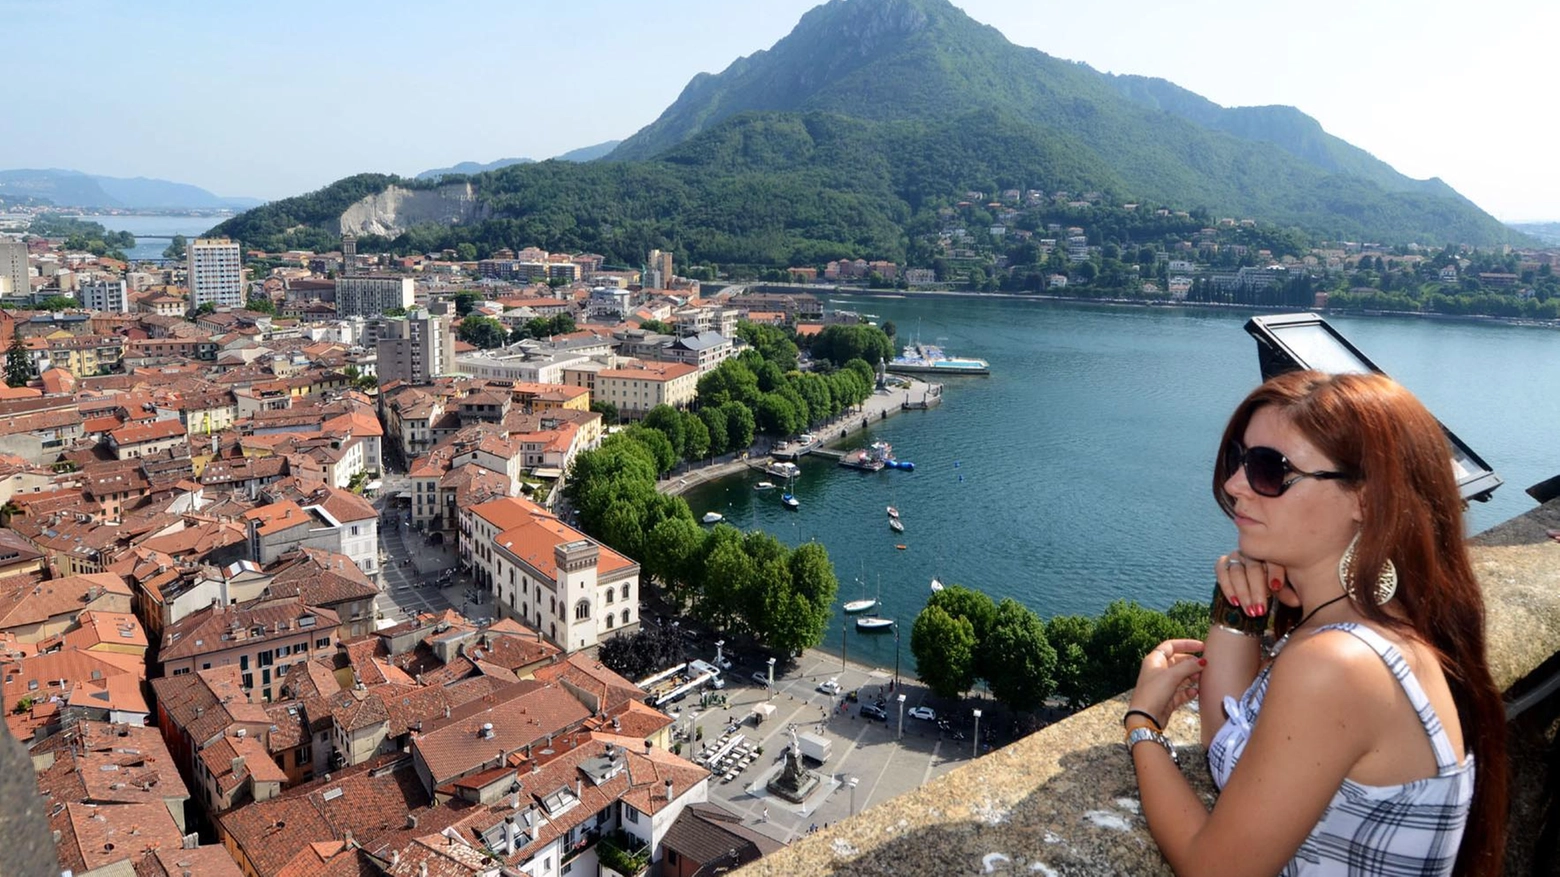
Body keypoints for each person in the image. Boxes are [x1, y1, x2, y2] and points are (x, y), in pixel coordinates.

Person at [1126, 371, 1506, 876]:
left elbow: (1213, 869)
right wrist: (1239, 607)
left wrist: (1143, 725)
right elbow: (1226, 741)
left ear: (1364, 500)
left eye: (1269, 470)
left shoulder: (1338, 665)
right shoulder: (1377, 625)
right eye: (1239, 459)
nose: (1235, 485)